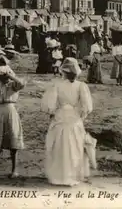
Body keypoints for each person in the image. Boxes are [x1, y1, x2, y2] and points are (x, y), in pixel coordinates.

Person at [41, 58, 94, 186]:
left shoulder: (57, 85)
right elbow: (87, 106)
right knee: (74, 143)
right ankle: (73, 173)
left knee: (59, 142)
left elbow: (49, 105)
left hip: (61, 114)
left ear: (63, 71)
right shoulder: (81, 86)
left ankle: (59, 174)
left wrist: (53, 113)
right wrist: (81, 116)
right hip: (74, 116)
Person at [0, 65, 25, 178]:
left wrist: (11, 76)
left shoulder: (13, 85)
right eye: (0, 77)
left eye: (3, 76)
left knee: (13, 138)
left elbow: (22, 84)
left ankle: (14, 170)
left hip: (10, 110)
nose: (2, 79)